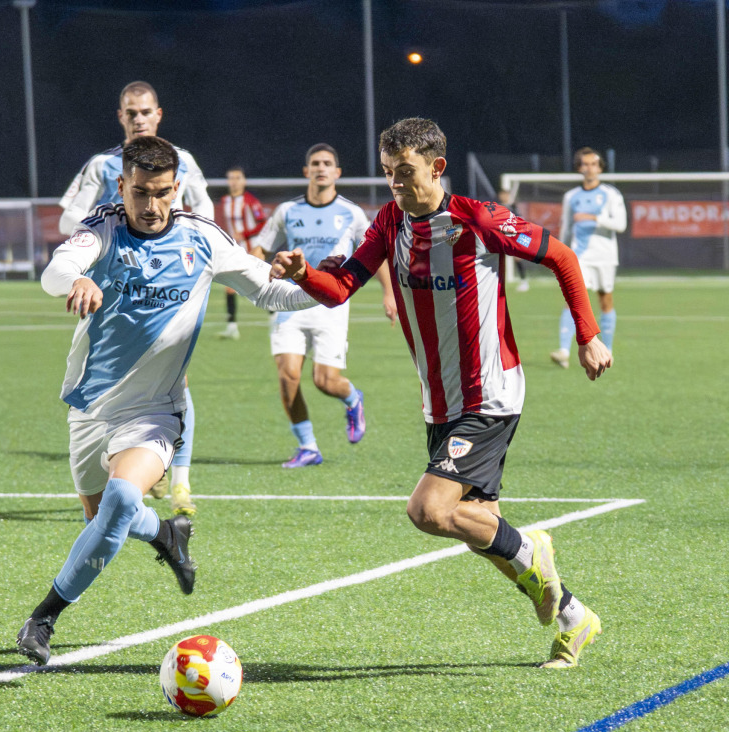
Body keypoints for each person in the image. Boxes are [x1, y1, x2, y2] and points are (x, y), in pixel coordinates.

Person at [270, 118, 612, 668]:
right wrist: (305, 271)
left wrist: (589, 335)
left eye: (404, 173)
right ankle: (574, 616)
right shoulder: (389, 222)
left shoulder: (477, 220)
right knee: (481, 530)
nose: (395, 185)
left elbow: (563, 258)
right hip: (441, 401)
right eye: (387, 174)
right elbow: (340, 289)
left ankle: (536, 553)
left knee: (428, 510)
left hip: (490, 392)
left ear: (437, 167)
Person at [17, 136, 316, 665]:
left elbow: (271, 294)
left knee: (120, 502)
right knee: (102, 521)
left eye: (160, 193)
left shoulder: (202, 240)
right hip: (90, 406)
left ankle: (43, 618)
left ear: (176, 188)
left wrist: (319, 280)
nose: (151, 206)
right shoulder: (102, 229)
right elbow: (54, 272)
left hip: (155, 411)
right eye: (139, 193)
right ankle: (168, 535)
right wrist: (80, 277)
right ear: (121, 187)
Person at [58, 80, 213, 515]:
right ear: (121, 117)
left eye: (145, 112)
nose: (138, 119)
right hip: (108, 284)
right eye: (131, 113)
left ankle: (180, 482)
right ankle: (132, 460)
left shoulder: (182, 162)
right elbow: (69, 213)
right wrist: (103, 224)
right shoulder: (102, 165)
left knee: (174, 377)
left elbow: (205, 209)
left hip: (169, 280)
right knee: (107, 365)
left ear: (158, 114)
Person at [250, 144, 396, 468]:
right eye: (315, 163)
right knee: (288, 376)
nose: (320, 168)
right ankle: (308, 448)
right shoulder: (287, 211)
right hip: (289, 299)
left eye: (327, 163)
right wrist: (252, 274)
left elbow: (373, 252)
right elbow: (260, 248)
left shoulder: (352, 213)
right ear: (306, 171)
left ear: (337, 173)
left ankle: (352, 398)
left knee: (324, 380)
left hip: (331, 302)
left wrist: (389, 294)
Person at [549, 147, 626, 369]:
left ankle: (607, 351)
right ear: (579, 168)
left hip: (605, 257)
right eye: (585, 164)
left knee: (605, 301)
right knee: (572, 299)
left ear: (600, 168)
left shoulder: (612, 194)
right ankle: (563, 350)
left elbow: (621, 225)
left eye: (594, 164)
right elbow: (566, 227)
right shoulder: (571, 197)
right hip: (579, 256)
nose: (589, 168)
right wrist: (559, 253)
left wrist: (594, 217)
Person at [215, 165, 268, 340]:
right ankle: (232, 326)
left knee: (259, 284)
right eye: (231, 178)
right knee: (230, 287)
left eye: (237, 178)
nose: (234, 182)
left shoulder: (250, 201)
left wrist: (245, 235)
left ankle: (276, 316)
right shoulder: (225, 200)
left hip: (251, 249)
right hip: (235, 250)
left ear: (243, 181)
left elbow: (263, 223)